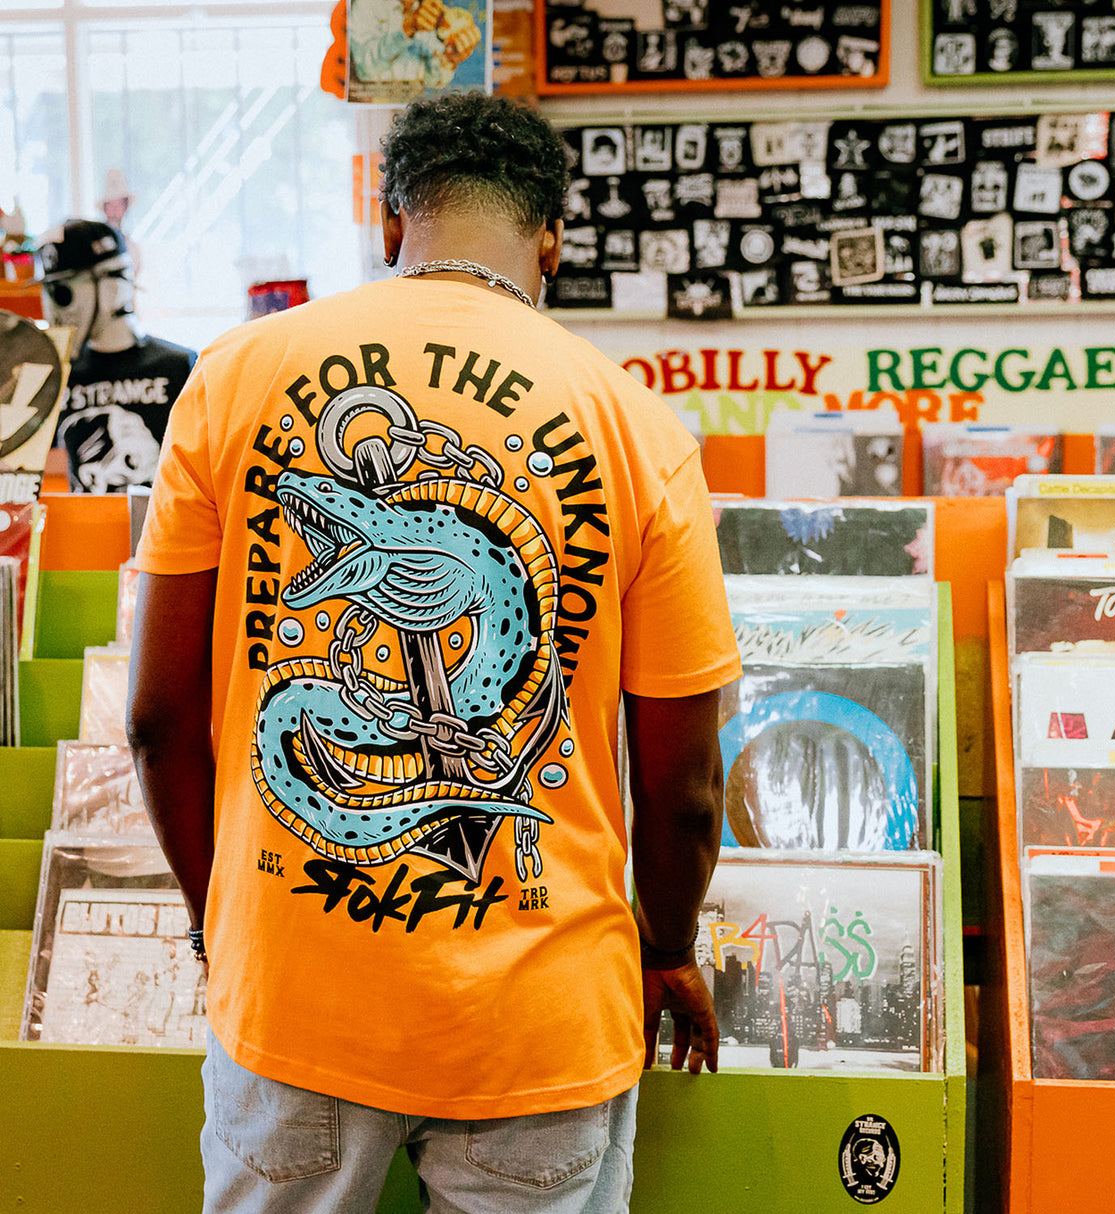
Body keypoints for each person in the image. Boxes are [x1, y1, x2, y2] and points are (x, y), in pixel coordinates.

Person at [126, 91, 741, 1213]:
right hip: (539, 1016)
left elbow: (158, 724)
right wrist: (668, 947)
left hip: (297, 1000)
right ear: (552, 240)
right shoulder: (638, 426)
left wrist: (229, 928)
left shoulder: (231, 375)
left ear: (389, 217)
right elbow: (685, 786)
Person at [36, 219, 195, 492]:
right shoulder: (57, 376)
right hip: (88, 519)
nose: (52, 310)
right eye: (46, 292)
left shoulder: (180, 367)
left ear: (112, 285)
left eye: (62, 292)